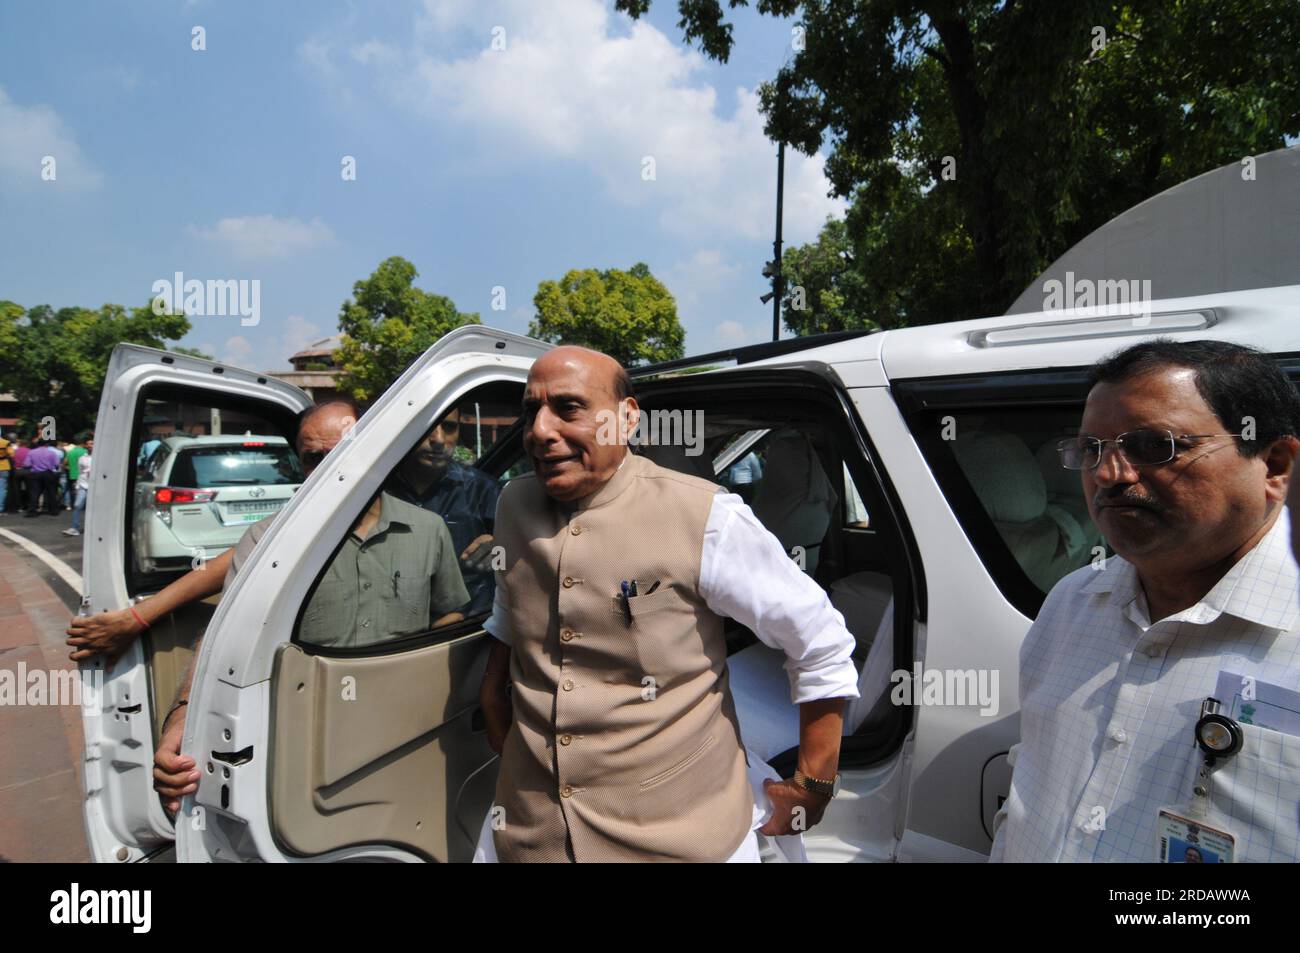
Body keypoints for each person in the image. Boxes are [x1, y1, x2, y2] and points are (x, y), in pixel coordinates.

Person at [475, 345, 859, 862]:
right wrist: (493, 700)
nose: (540, 429)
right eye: (530, 411)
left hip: (682, 838)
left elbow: (820, 640)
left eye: (568, 408)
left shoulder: (705, 517)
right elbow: (510, 605)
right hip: (530, 832)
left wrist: (814, 785)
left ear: (626, 419)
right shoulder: (512, 503)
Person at [990, 339, 1300, 863]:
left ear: (1273, 464)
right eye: (1091, 450)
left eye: (1155, 447)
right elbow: (1032, 780)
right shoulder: (1073, 602)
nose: (1110, 474)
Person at [146, 401, 468, 812]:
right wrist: (182, 719)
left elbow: (450, 614)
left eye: (344, 451)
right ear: (300, 464)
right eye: (314, 457)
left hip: (407, 735)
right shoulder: (268, 544)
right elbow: (221, 638)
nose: (330, 467)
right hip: (306, 748)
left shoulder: (428, 530)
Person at [386, 407, 500, 616]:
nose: (438, 439)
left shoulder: (482, 489)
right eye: (427, 426)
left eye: (449, 427)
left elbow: (511, 560)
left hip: (467, 630)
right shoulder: (376, 491)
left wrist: (497, 549)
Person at [23, 438, 62, 517]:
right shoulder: (52, 453)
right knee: (51, 492)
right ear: (47, 444)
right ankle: (53, 510)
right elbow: (57, 464)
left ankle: (32, 511)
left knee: (35, 493)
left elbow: (27, 464)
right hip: (48, 473)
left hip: (36, 474)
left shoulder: (32, 452)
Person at [63, 436, 93, 537]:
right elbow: (80, 472)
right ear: (85, 445)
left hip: (96, 486)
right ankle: (74, 528)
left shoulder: (101, 458)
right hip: (83, 485)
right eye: (88, 444)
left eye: (92, 444)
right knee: (77, 505)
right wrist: (78, 485)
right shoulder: (82, 458)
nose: (90, 446)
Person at [64, 436, 88, 510]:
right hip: (84, 475)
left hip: (72, 474)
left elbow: (65, 462)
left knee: (72, 490)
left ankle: (73, 504)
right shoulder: (85, 451)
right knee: (84, 490)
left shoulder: (70, 452)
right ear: (83, 443)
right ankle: (83, 506)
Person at [0, 431, 11, 515]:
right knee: (2, 489)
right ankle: (0, 508)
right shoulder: (6, 442)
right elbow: (12, 454)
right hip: (4, 467)